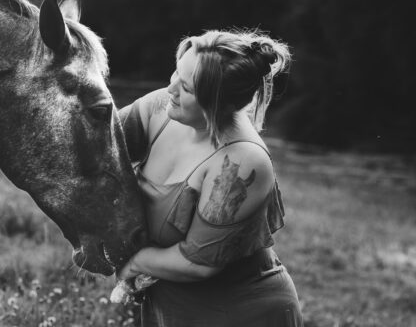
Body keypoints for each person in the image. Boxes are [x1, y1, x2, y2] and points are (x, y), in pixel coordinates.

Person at [116, 29, 303, 327]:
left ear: (222, 104)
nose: (172, 88)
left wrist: (136, 263)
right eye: (176, 72)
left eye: (188, 88)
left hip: (237, 312)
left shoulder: (242, 163)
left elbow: (197, 263)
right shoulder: (160, 109)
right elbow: (95, 147)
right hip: (169, 304)